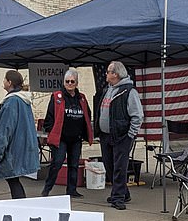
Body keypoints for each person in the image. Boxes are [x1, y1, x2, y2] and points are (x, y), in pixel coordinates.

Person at [96, 61, 143, 210]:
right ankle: (124, 193)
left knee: (119, 167)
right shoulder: (107, 90)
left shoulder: (129, 92)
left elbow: (138, 116)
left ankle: (118, 198)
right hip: (105, 135)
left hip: (122, 136)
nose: (106, 74)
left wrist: (130, 134)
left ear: (115, 74)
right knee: (108, 165)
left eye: (108, 72)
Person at [41, 68, 93, 198]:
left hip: (76, 138)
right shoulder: (57, 97)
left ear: (76, 83)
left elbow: (88, 114)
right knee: (57, 163)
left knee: (74, 165)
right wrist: (51, 132)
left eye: (72, 81)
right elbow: (50, 117)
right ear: (63, 82)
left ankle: (71, 190)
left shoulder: (81, 98)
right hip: (61, 138)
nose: (69, 84)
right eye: (67, 81)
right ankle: (47, 189)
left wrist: (85, 133)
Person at [0, 70, 39, 199]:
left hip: (13, 149)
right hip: (21, 146)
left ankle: (20, 207)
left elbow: (5, 128)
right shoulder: (23, 101)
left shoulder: (11, 102)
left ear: (9, 82)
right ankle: (20, 205)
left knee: (13, 180)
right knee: (13, 180)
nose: (3, 82)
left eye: (4, 80)